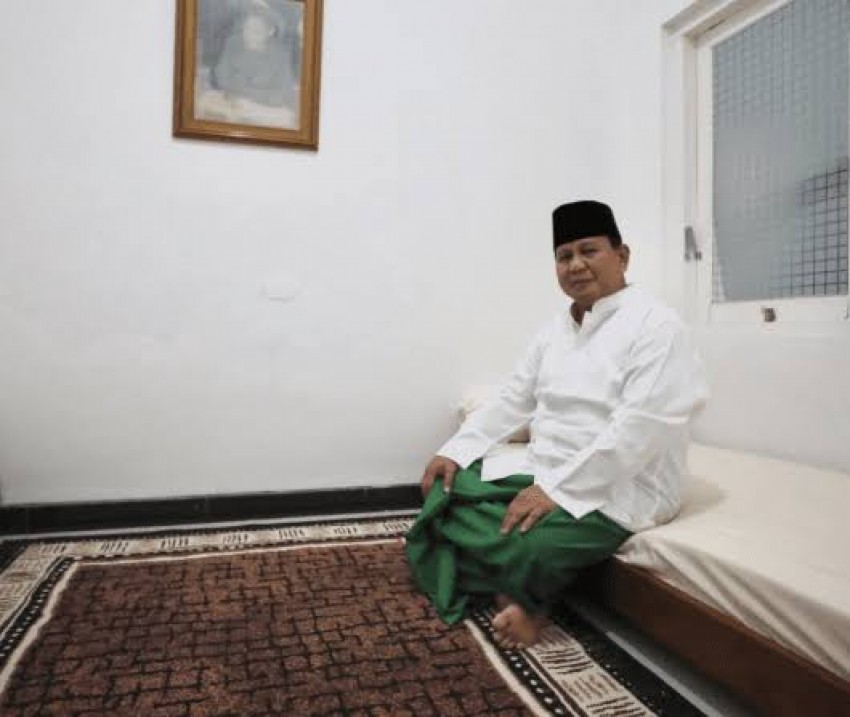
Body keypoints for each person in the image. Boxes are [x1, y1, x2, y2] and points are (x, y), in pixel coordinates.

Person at [405, 200, 708, 649]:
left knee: (529, 546)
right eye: (564, 256)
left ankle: (529, 603)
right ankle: (508, 575)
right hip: (546, 468)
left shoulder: (657, 326)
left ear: (622, 255)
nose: (576, 265)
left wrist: (559, 491)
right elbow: (513, 399)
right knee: (450, 490)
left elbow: (639, 431)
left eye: (589, 251)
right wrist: (456, 449)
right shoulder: (554, 330)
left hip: (622, 484)